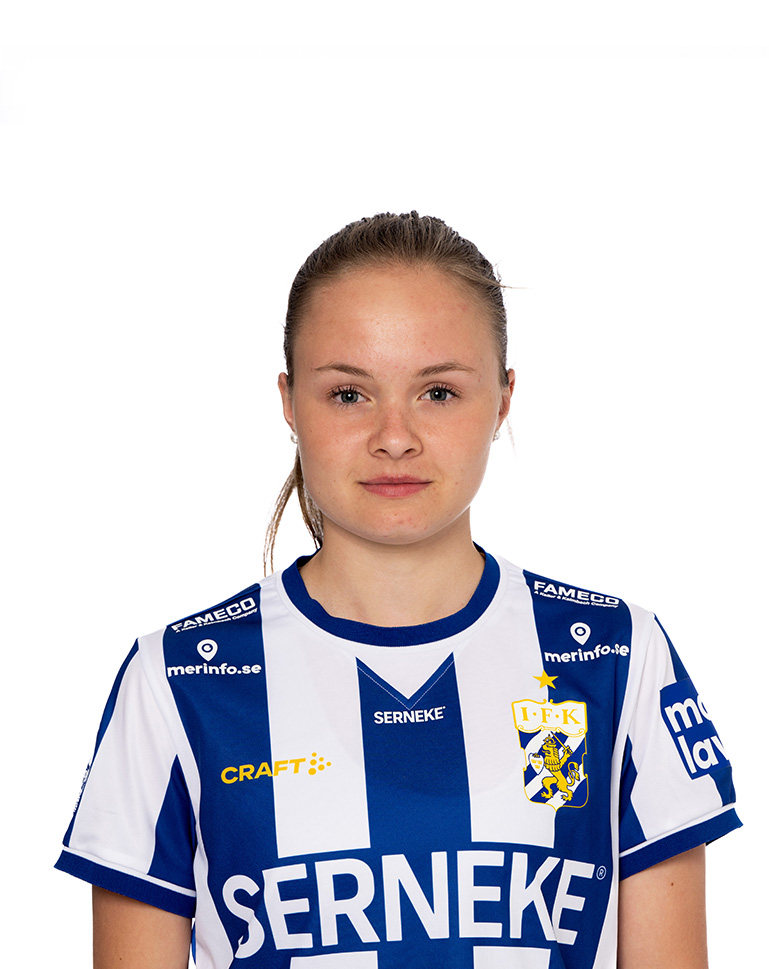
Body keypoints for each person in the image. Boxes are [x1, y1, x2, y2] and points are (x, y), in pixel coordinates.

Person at [56, 212, 740, 968]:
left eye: (438, 392)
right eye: (349, 394)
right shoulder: (179, 678)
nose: (394, 436)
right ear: (289, 401)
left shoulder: (614, 655)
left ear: (503, 399)